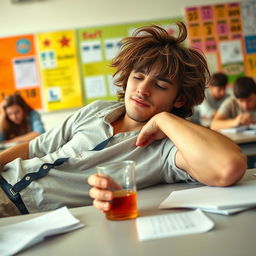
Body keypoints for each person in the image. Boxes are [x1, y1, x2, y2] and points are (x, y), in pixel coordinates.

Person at [0, 22, 246, 217]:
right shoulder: (97, 110)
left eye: (160, 85)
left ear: (179, 99)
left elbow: (228, 168)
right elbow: (35, 148)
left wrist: (164, 120)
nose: (143, 89)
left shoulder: (166, 150)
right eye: (138, 77)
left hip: (21, 214)